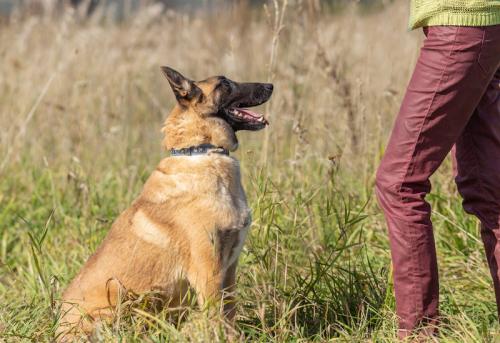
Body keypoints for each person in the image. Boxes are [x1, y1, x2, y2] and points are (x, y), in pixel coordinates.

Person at [375, 0, 500, 339]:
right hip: (479, 24)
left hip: (460, 26)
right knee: (490, 193)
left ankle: (419, 334)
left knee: (398, 183)